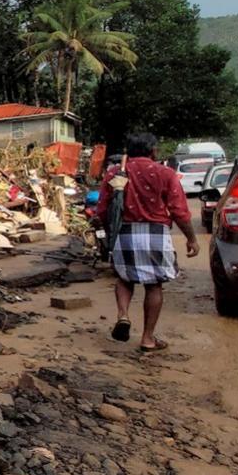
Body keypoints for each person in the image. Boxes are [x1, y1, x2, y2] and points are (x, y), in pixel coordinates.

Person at [96, 133, 199, 352]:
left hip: (124, 233)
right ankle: (147, 338)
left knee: (124, 278)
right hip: (156, 233)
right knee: (154, 285)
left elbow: (103, 209)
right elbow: (180, 212)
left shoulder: (115, 173)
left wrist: (108, 235)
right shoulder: (165, 173)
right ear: (152, 151)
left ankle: (123, 315)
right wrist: (191, 239)